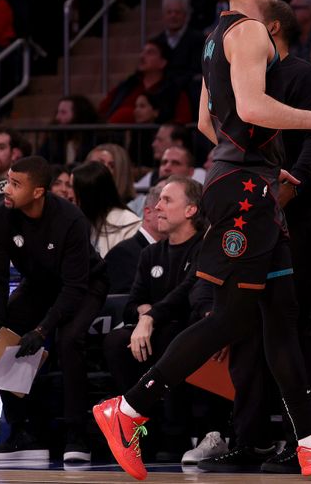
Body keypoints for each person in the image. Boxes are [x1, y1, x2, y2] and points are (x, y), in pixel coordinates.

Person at [91, 0, 311, 481]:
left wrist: (242, 154)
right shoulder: (248, 32)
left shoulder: (214, 34)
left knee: (282, 318)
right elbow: (250, 104)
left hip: (242, 179)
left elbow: (208, 121)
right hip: (245, 187)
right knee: (229, 317)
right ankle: (127, 411)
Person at [200, 0, 311, 474]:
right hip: (252, 205)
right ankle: (249, 436)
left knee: (291, 325)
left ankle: (299, 439)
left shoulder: (305, 77)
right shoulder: (241, 67)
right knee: (243, 327)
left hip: (295, 214)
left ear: (270, 27)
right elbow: (214, 125)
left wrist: (291, 182)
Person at [0, 156, 109, 462]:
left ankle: (77, 433)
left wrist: (42, 329)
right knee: (3, 336)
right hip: (39, 283)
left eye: (16, 184)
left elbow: (74, 287)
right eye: (7, 180)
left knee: (69, 340)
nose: (7, 189)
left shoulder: (70, 219)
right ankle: (22, 431)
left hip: (86, 285)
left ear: (38, 192)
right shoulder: (2, 218)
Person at [102, 177, 206, 458]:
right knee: (116, 341)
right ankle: (141, 427)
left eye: (166, 200)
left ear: (190, 210)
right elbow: (132, 303)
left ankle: (176, 435)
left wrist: (150, 317)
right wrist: (143, 315)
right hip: (156, 328)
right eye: (158, 200)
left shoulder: (203, 248)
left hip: (189, 329)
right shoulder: (150, 253)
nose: (157, 207)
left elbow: (185, 295)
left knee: (171, 338)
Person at [72, 161, 142, 258]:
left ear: (86, 194)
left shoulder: (130, 225)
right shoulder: (81, 222)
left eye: (71, 187)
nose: (68, 194)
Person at [105, 183, 165, 295]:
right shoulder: (122, 254)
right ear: (148, 213)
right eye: (162, 209)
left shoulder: (172, 252)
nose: (169, 214)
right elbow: (121, 304)